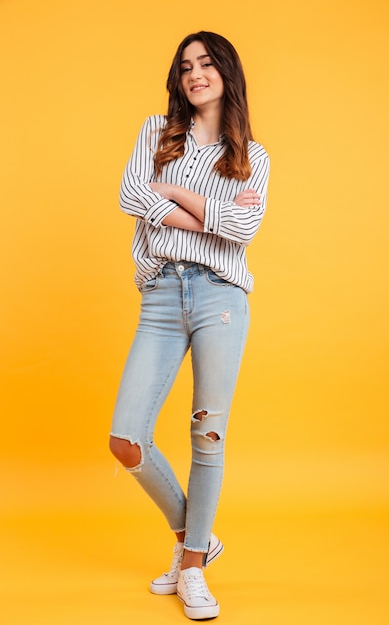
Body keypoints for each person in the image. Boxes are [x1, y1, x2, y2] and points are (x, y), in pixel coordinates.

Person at [109, 31, 270, 620]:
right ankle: (194, 538)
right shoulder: (157, 132)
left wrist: (173, 191)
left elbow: (243, 232)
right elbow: (131, 192)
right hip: (160, 294)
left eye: (206, 63)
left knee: (207, 436)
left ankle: (193, 566)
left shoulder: (255, 157)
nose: (195, 73)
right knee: (126, 438)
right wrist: (212, 215)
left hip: (220, 297)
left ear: (227, 71)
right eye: (185, 67)